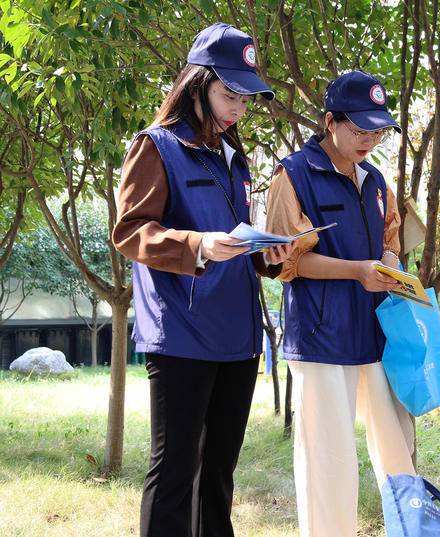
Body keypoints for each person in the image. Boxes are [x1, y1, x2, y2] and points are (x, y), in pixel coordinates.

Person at [112, 23, 289, 537]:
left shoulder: (235, 159)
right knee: (175, 473)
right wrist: (197, 244)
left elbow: (236, 238)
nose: (238, 109)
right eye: (229, 95)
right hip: (182, 334)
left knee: (218, 475)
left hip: (238, 337)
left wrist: (268, 255)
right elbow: (130, 231)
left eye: (246, 99)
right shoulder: (156, 146)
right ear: (197, 82)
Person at [265, 70, 416, 537]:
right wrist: (356, 270)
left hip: (377, 334)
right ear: (330, 121)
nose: (370, 139)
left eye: (378, 130)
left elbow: (390, 238)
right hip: (321, 337)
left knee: (399, 451)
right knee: (328, 463)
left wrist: (388, 262)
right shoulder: (293, 175)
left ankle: (412, 529)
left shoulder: (375, 180)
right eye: (360, 129)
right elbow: (288, 262)